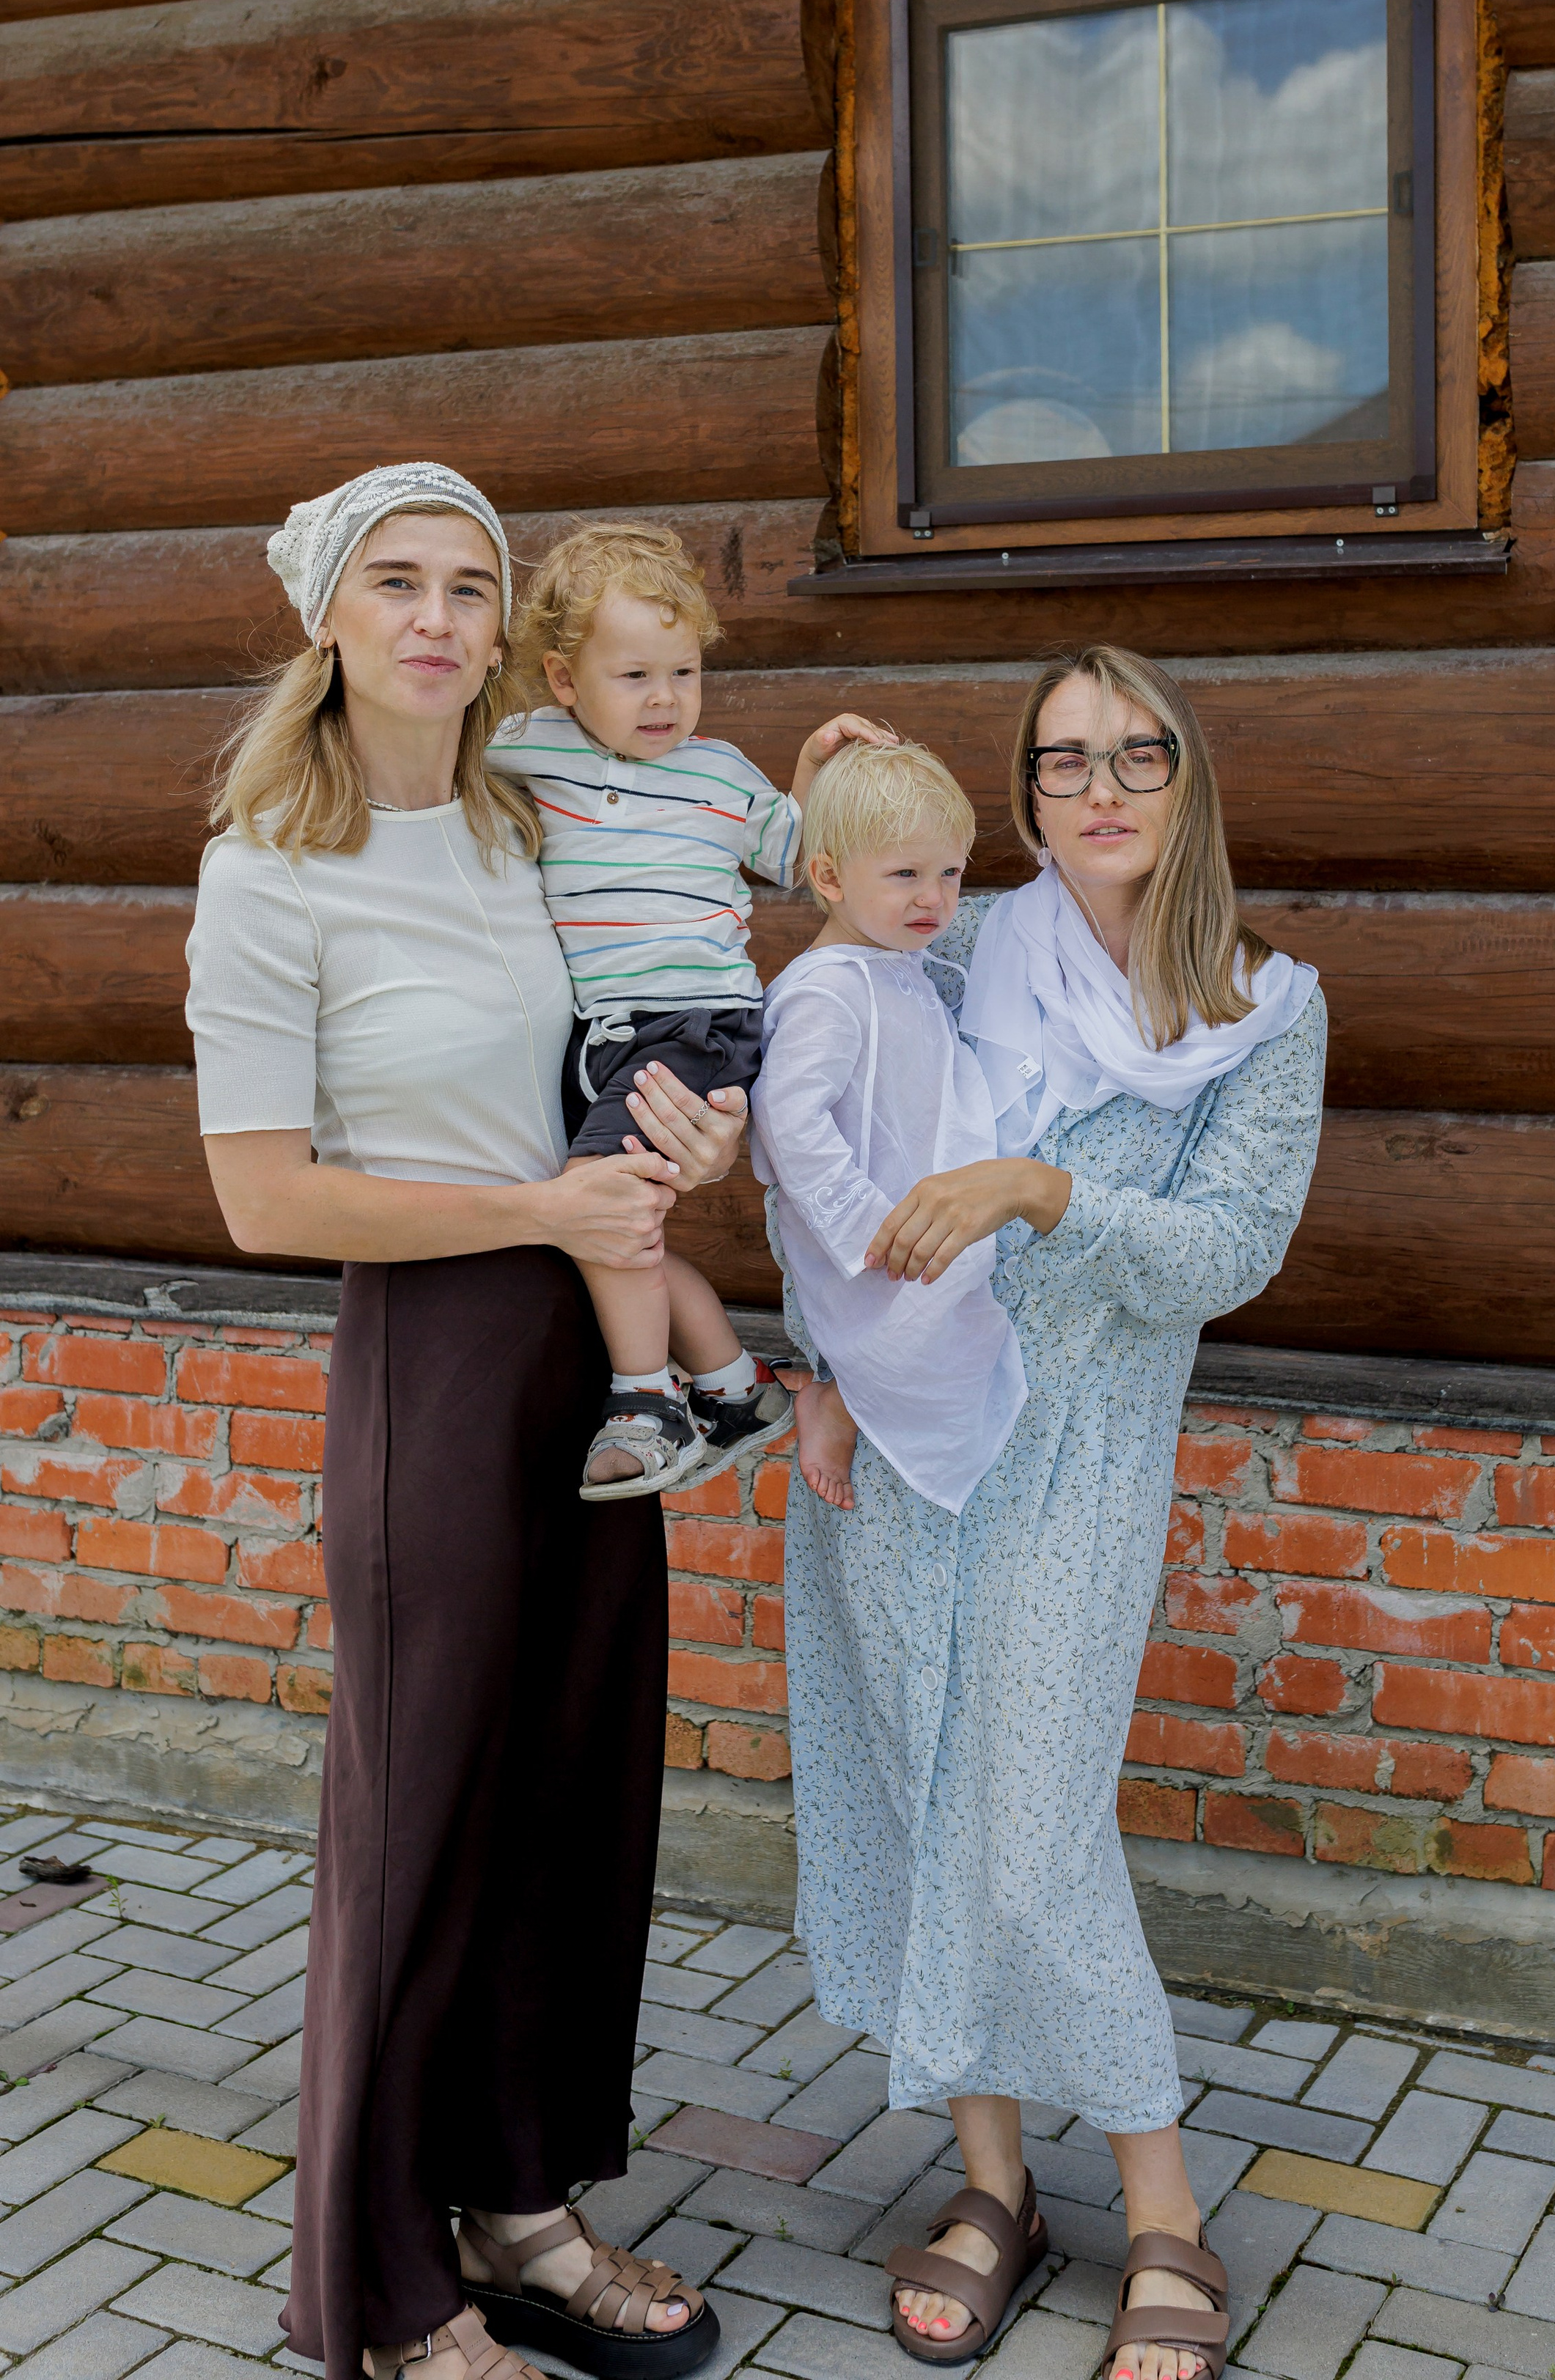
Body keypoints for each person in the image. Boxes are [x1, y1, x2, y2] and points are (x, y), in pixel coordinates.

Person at [185, 462, 739, 2380]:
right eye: (394, 582)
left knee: (570, 1799)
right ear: (327, 614)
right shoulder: (270, 865)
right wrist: (542, 1207)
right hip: (429, 1348)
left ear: (508, 633)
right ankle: (381, 2289)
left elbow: (642, 1018)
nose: (434, 617)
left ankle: (517, 2211)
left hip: (586, 1350)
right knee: (417, 1818)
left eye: (467, 587)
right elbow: (263, 1200)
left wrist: (694, 1125)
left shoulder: (534, 823)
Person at [779, 646, 1326, 2380]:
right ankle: (992, 2185)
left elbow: (1229, 1247)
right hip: (904, 1442)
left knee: (1029, 1815)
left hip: (1077, 1453)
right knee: (924, 1777)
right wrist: (818, 1364)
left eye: (1134, 754)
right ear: (1020, 793)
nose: (1098, 788)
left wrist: (1049, 1188)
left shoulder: (1256, 1004)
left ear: (1186, 780)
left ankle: (1160, 2201)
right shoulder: (955, 950)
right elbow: (831, 1122)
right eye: (1061, 760)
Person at [488, 520, 891, 1498]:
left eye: (685, 671)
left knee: (609, 1209)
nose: (666, 698)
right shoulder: (531, 749)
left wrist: (814, 768)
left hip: (698, 1021)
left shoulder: (718, 773)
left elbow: (797, 858)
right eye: (634, 677)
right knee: (598, 1218)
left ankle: (643, 1399)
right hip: (601, 1034)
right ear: (563, 681)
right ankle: (733, 1385)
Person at [749, 739, 1026, 1514]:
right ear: (830, 876)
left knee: (958, 1321)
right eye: (904, 874)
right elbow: (787, 1117)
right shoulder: (826, 990)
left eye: (950, 872)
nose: (933, 898)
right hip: (873, 1232)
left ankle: (846, 1402)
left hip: (920, 1214)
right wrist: (860, 1223)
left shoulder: (894, 963)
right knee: (910, 1343)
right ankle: (834, 1403)